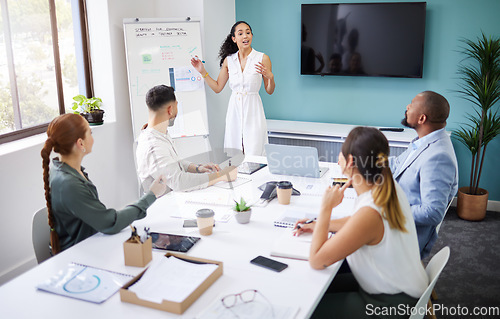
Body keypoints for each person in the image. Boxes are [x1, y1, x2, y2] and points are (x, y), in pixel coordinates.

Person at [295, 127, 427, 318]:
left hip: (389, 304)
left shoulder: (370, 212)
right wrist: (319, 224)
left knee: (306, 308)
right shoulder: (385, 185)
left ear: (350, 162)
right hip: (398, 286)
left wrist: (325, 208)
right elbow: (358, 224)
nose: (338, 157)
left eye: (341, 152)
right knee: (309, 287)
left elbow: (317, 260)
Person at [41, 114, 167, 254]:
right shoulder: (68, 184)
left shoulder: (67, 170)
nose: (93, 138)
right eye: (90, 133)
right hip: (79, 255)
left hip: (91, 244)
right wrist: (151, 194)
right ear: (80, 143)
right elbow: (111, 223)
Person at [390, 91, 458, 258]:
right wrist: (362, 163)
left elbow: (433, 212)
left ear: (422, 119)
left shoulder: (438, 156)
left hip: (402, 237)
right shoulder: (424, 141)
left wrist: (387, 209)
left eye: (411, 104)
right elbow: (397, 165)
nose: (407, 107)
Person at [191, 21, 275, 156]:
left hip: (253, 110)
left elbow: (269, 90)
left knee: (254, 151)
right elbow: (218, 87)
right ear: (234, 38)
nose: (245, 36)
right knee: (235, 152)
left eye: (248, 32)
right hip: (234, 110)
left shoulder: (262, 58)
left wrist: (270, 77)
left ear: (252, 36)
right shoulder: (229, 61)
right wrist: (202, 72)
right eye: (240, 33)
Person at [135, 85, 237, 195]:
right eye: (176, 105)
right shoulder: (153, 146)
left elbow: (174, 161)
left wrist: (198, 168)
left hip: (173, 198)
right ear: (170, 110)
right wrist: (221, 176)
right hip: (163, 206)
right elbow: (180, 182)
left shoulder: (159, 133)